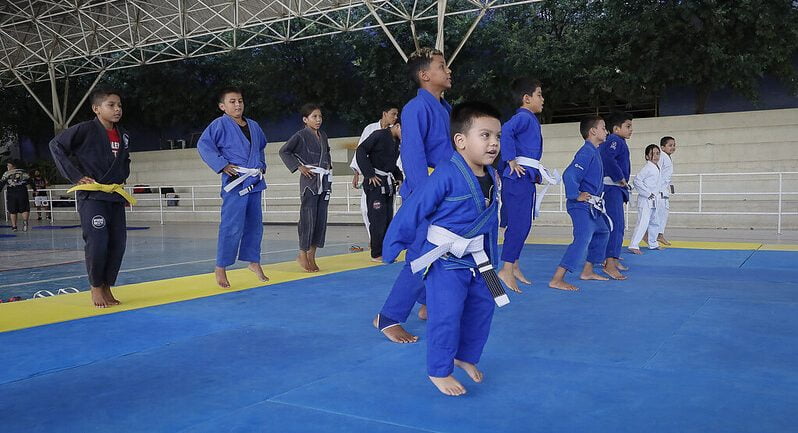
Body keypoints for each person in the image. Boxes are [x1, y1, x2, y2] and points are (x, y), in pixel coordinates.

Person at [383, 101, 506, 396]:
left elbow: (489, 223)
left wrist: (494, 262)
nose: (493, 143)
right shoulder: (446, 174)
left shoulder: (492, 176)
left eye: (497, 136)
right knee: (446, 314)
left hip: (482, 260)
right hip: (447, 261)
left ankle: (465, 356)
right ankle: (439, 370)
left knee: (486, 305)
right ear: (461, 141)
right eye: (485, 135)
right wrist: (393, 243)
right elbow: (415, 208)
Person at [373, 47, 453, 344]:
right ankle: (388, 317)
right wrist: (426, 199)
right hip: (426, 193)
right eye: (442, 66)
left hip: (445, 190)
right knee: (422, 254)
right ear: (424, 75)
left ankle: (427, 303)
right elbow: (413, 156)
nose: (448, 70)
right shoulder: (415, 108)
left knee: (441, 250)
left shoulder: (445, 108)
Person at [49, 88, 133, 308]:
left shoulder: (123, 134)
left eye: (119, 105)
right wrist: (75, 176)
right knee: (97, 242)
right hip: (92, 195)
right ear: (96, 109)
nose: (117, 109)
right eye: (111, 105)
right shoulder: (85, 130)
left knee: (118, 243)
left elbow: (124, 161)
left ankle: (107, 285)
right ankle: (96, 286)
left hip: (114, 195)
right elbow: (55, 145)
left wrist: (122, 182)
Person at [197, 86, 269, 289]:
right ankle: (221, 266)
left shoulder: (254, 125)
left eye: (240, 101)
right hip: (235, 181)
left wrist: (261, 165)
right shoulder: (219, 124)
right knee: (231, 225)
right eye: (232, 101)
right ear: (222, 106)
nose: (237, 105)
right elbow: (204, 145)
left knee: (255, 224)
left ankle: (253, 261)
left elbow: (260, 148)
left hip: (254, 181)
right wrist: (222, 165)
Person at [549, 116, 617, 292]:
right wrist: (575, 195)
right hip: (580, 205)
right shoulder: (586, 152)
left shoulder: (594, 151)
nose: (606, 131)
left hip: (592, 205)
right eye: (603, 127)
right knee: (583, 237)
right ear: (593, 131)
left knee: (603, 232)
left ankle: (587, 271)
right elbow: (569, 174)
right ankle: (557, 279)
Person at [496, 77, 551, 293]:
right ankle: (506, 269)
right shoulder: (523, 117)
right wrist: (510, 159)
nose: (543, 99)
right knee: (520, 225)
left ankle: (514, 265)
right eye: (539, 95)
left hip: (525, 177)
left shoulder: (529, 119)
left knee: (522, 224)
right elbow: (506, 130)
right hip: (518, 177)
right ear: (526, 98)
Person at [279, 103, 332, 272]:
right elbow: (284, 151)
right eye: (314, 117)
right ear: (305, 119)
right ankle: (302, 253)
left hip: (324, 180)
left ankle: (312, 255)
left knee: (321, 218)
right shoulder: (300, 135)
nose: (318, 120)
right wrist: (298, 166)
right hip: (309, 181)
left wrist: (329, 169)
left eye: (320, 116)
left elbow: (327, 154)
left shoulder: (323, 135)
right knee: (308, 217)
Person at [350, 106, 400, 239]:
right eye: (393, 114)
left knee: (386, 214)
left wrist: (398, 176)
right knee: (366, 209)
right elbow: (360, 149)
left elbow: (395, 160)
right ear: (384, 113)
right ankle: (373, 240)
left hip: (387, 178)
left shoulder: (396, 136)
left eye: (397, 115)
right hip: (371, 176)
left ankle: (380, 242)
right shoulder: (371, 129)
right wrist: (358, 172)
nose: (395, 117)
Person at [356, 122, 403, 261]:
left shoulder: (396, 142)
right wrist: (369, 174)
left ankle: (385, 251)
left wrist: (399, 177)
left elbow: (391, 165)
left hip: (387, 184)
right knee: (377, 220)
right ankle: (376, 253)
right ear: (398, 126)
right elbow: (360, 151)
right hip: (375, 183)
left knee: (388, 219)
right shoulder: (379, 135)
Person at [599, 112, 632, 278]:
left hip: (615, 189)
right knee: (616, 225)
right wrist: (619, 177)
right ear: (616, 128)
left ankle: (614, 258)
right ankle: (610, 264)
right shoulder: (614, 140)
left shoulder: (619, 141)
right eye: (628, 126)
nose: (631, 129)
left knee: (618, 225)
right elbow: (608, 158)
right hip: (612, 188)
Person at [628, 144, 661, 254]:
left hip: (654, 199)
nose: (656, 156)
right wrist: (647, 193)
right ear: (647, 156)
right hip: (646, 199)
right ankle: (633, 245)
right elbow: (637, 181)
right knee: (642, 222)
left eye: (657, 153)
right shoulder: (647, 168)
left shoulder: (656, 167)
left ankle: (653, 243)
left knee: (654, 222)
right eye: (652, 154)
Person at [652, 136, 676, 246]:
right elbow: (657, 171)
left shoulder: (667, 157)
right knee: (660, 213)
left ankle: (659, 234)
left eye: (674, 145)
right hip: (659, 190)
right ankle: (657, 235)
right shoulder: (662, 157)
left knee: (663, 213)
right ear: (662, 147)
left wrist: (670, 186)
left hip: (663, 189)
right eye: (670, 145)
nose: (673, 147)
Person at [0, 160, 31, 231]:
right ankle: (25, 222)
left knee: (12, 210)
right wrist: (35, 189)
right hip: (22, 192)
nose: (7, 167)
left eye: (8, 165)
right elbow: (30, 181)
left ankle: (14, 226)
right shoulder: (23, 172)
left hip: (12, 193)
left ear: (13, 166)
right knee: (24, 208)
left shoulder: (7, 173)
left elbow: (2, 183)